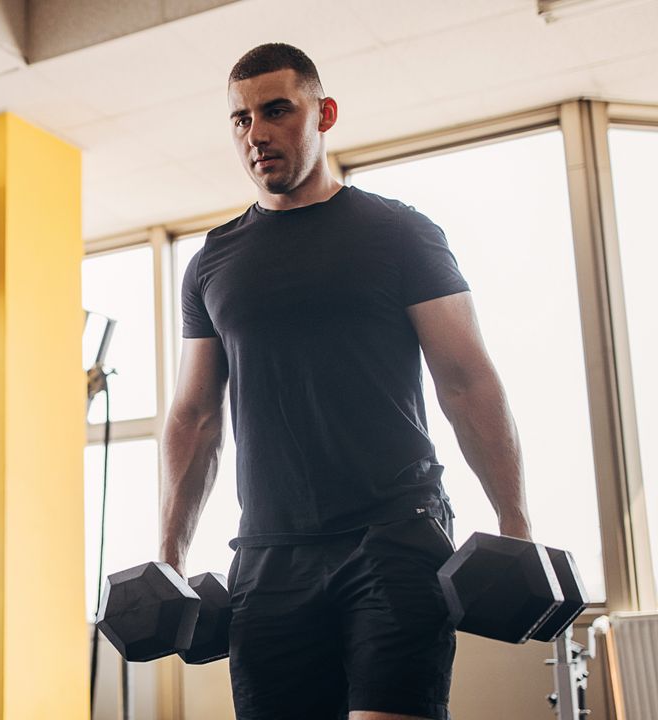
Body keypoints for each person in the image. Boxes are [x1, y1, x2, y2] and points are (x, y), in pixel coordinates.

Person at [159, 43, 532, 720]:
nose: (257, 133)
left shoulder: (399, 234)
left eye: (276, 110)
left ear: (323, 113)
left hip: (394, 534)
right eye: (240, 119)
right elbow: (195, 418)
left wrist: (514, 520)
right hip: (268, 552)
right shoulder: (213, 263)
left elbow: (467, 382)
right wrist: (169, 554)